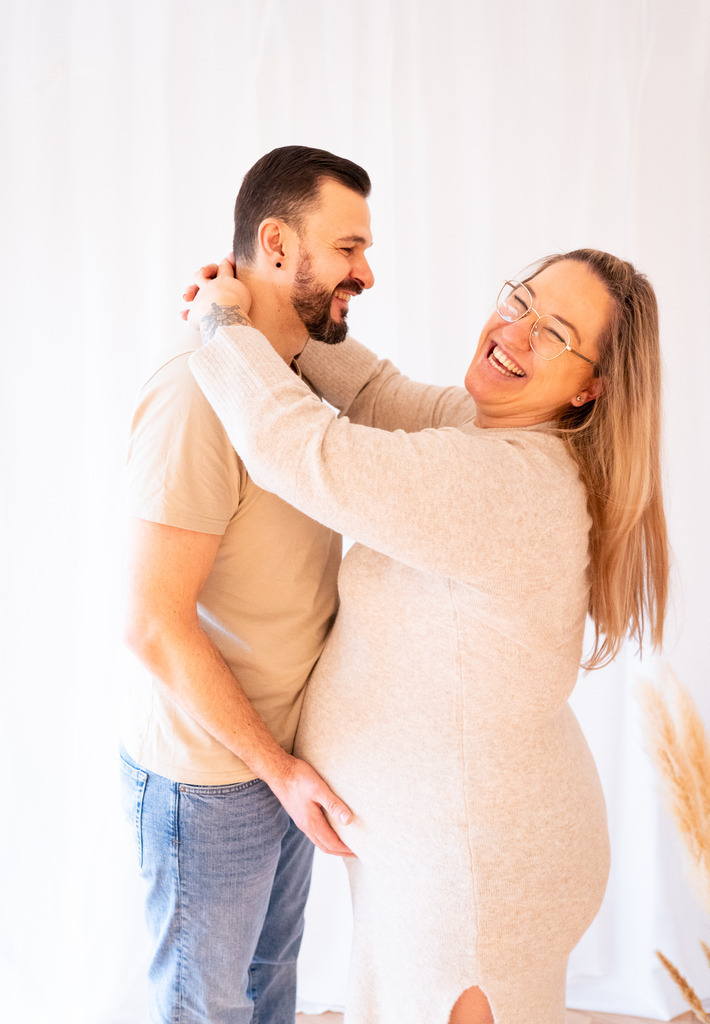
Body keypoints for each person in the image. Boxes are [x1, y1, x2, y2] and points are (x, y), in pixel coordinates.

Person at [183, 248, 669, 1024]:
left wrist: (219, 322)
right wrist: (284, 308)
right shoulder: (490, 433)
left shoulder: (509, 485)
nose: (516, 331)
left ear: (590, 388)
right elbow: (376, 394)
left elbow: (304, 452)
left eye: (554, 333)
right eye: (520, 301)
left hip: (474, 879)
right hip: (454, 854)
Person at [121, 145, 376, 1024]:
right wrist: (279, 771)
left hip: (278, 766)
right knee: (210, 1010)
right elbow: (152, 623)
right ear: (275, 244)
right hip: (212, 781)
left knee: (273, 994)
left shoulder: (284, 380)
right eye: (347, 249)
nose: (365, 273)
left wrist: (289, 771)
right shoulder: (197, 395)